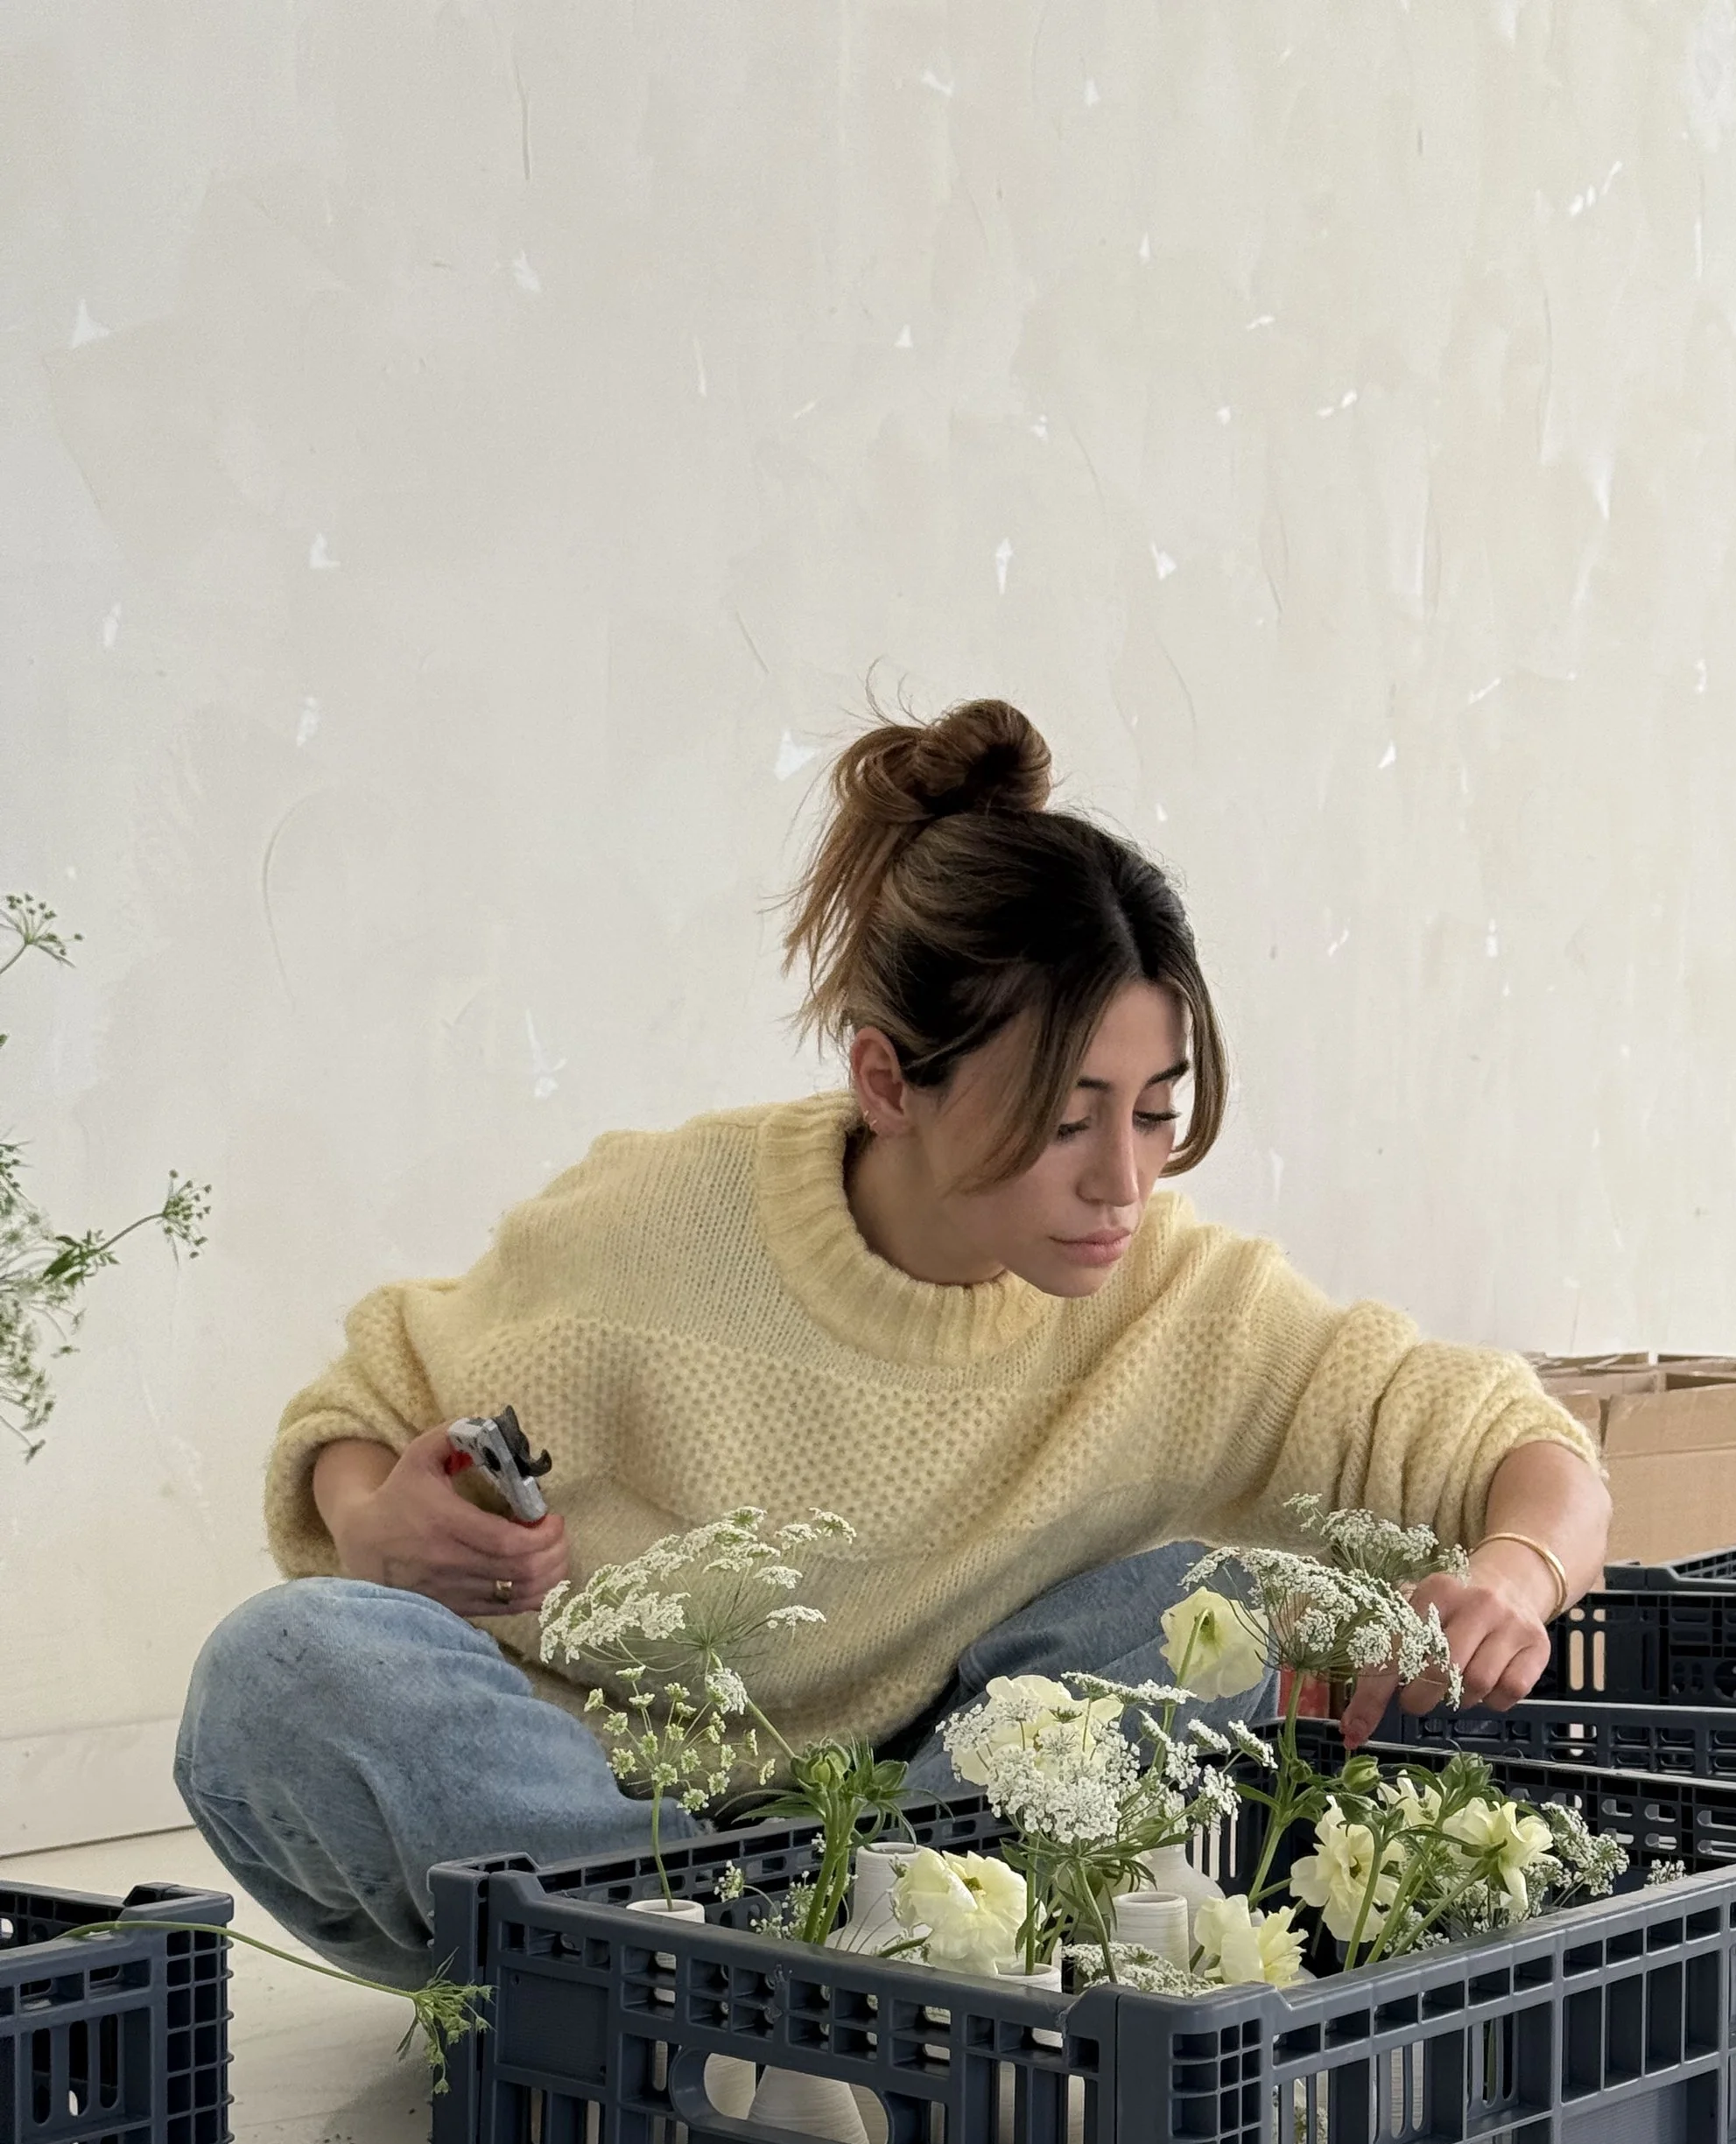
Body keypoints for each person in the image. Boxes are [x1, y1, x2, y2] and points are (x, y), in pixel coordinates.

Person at [175, 699, 1609, 1985]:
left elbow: (1516, 1440)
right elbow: (366, 1400)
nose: (1123, 1180)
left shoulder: (1188, 1299)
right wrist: (377, 1520)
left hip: (928, 1826)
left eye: (1155, 1109)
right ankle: (725, 1948)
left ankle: (718, 1973)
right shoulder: (662, 1216)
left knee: (1211, 1609)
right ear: (887, 1079)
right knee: (281, 1673)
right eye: (1064, 1117)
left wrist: (1515, 1573)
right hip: (596, 1804)